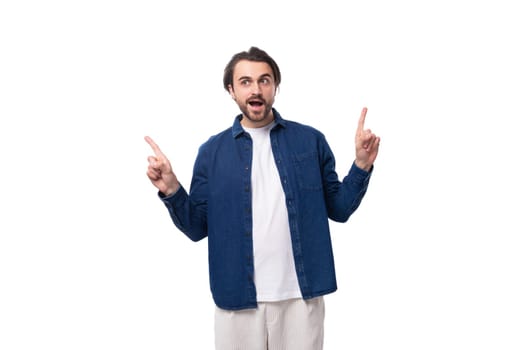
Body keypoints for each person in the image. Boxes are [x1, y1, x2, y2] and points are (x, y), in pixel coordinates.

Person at [145, 46, 380, 350]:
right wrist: (171, 187)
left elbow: (339, 208)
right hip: (236, 299)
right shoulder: (211, 153)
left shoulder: (310, 141)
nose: (255, 89)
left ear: (275, 87)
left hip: (300, 297)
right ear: (231, 90)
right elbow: (196, 228)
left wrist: (361, 165)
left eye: (264, 80)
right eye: (245, 81)